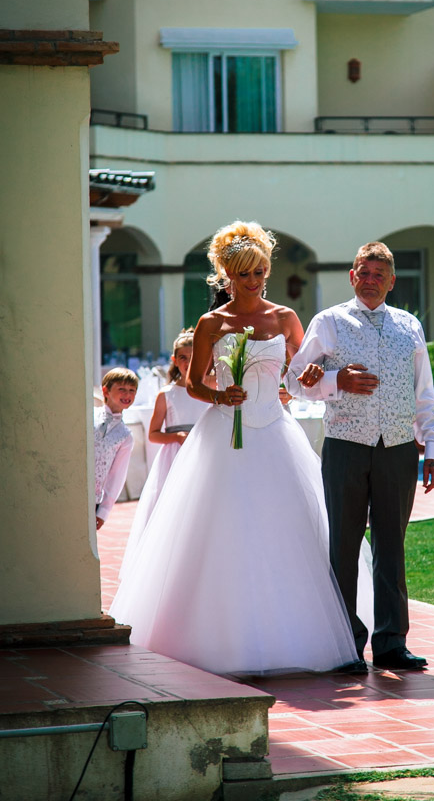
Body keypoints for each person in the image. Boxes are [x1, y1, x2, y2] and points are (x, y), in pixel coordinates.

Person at [110, 221, 358, 676]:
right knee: (222, 529)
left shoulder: (285, 318)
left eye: (260, 271)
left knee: (285, 528)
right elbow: (194, 382)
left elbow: (305, 372)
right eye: (244, 274)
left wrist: (299, 383)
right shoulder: (211, 323)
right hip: (223, 435)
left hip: (275, 434)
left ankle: (296, 638)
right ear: (227, 275)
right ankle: (217, 639)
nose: (255, 281)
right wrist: (221, 396)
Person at [285, 242, 434, 673]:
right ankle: (344, 645)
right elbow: (294, 382)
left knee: (392, 547)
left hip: (396, 449)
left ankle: (392, 643)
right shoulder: (329, 321)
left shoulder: (409, 326)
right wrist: (336, 380)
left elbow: (423, 394)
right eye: (364, 272)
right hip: (346, 448)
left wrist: (432, 449)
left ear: (392, 281)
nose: (371, 280)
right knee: (344, 546)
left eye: (379, 274)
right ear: (352, 277)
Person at [119, 329, 210, 576]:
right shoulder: (166, 394)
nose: (188, 362)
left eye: (193, 356)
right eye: (182, 357)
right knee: (172, 508)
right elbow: (153, 434)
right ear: (174, 360)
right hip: (175, 457)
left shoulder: (210, 390)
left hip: (204, 455)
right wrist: (177, 437)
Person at [94, 368, 138, 530]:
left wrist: (103, 511)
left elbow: (117, 476)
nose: (127, 395)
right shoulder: (89, 415)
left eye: (132, 391)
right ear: (105, 390)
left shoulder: (125, 436)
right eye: (122, 389)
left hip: (94, 498)